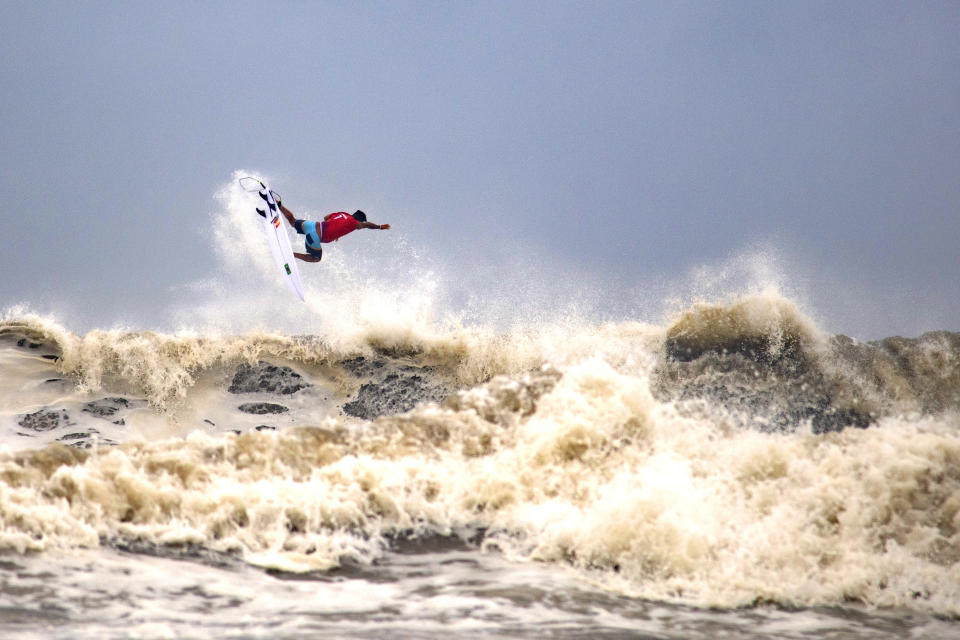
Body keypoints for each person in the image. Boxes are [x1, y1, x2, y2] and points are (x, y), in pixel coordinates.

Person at [273, 197, 391, 263]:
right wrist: (379, 227)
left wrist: (337, 231)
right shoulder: (355, 223)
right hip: (315, 237)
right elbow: (367, 225)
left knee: (293, 221)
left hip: (312, 225)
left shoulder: (343, 214)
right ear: (359, 221)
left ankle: (279, 205)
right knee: (316, 258)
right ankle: (290, 254)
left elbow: (326, 217)